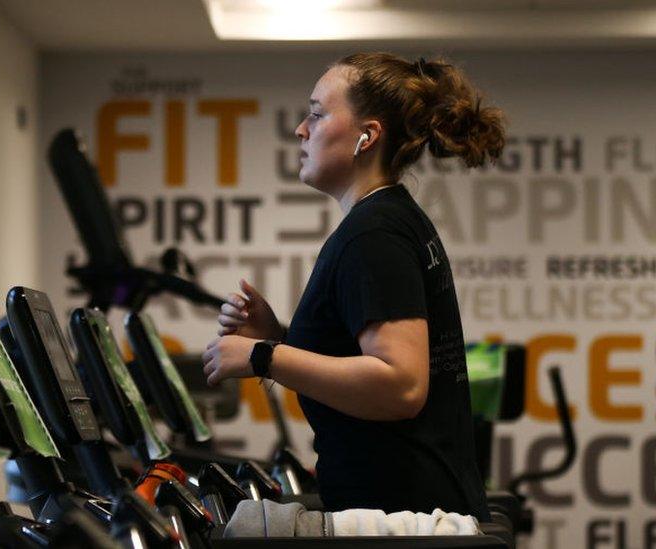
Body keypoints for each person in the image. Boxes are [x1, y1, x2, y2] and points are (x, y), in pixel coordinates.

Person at [201, 52, 506, 520]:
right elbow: (362, 369)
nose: (301, 129)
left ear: (368, 135)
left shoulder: (375, 233)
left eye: (318, 114)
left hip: (403, 516)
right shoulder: (385, 221)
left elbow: (401, 387)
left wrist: (263, 356)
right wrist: (276, 338)